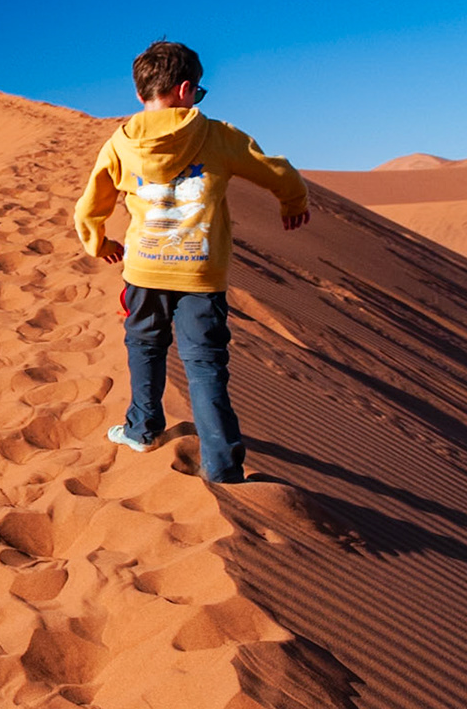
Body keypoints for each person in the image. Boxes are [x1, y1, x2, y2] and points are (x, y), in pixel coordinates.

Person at [72, 40, 310, 484]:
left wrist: (98, 242)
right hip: (201, 272)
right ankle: (221, 465)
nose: (199, 99)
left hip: (143, 272)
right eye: (199, 92)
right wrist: (292, 200)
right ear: (184, 90)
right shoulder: (219, 136)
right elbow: (276, 169)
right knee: (204, 365)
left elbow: (90, 207)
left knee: (144, 348)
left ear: (142, 92)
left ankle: (142, 429)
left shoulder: (120, 146)